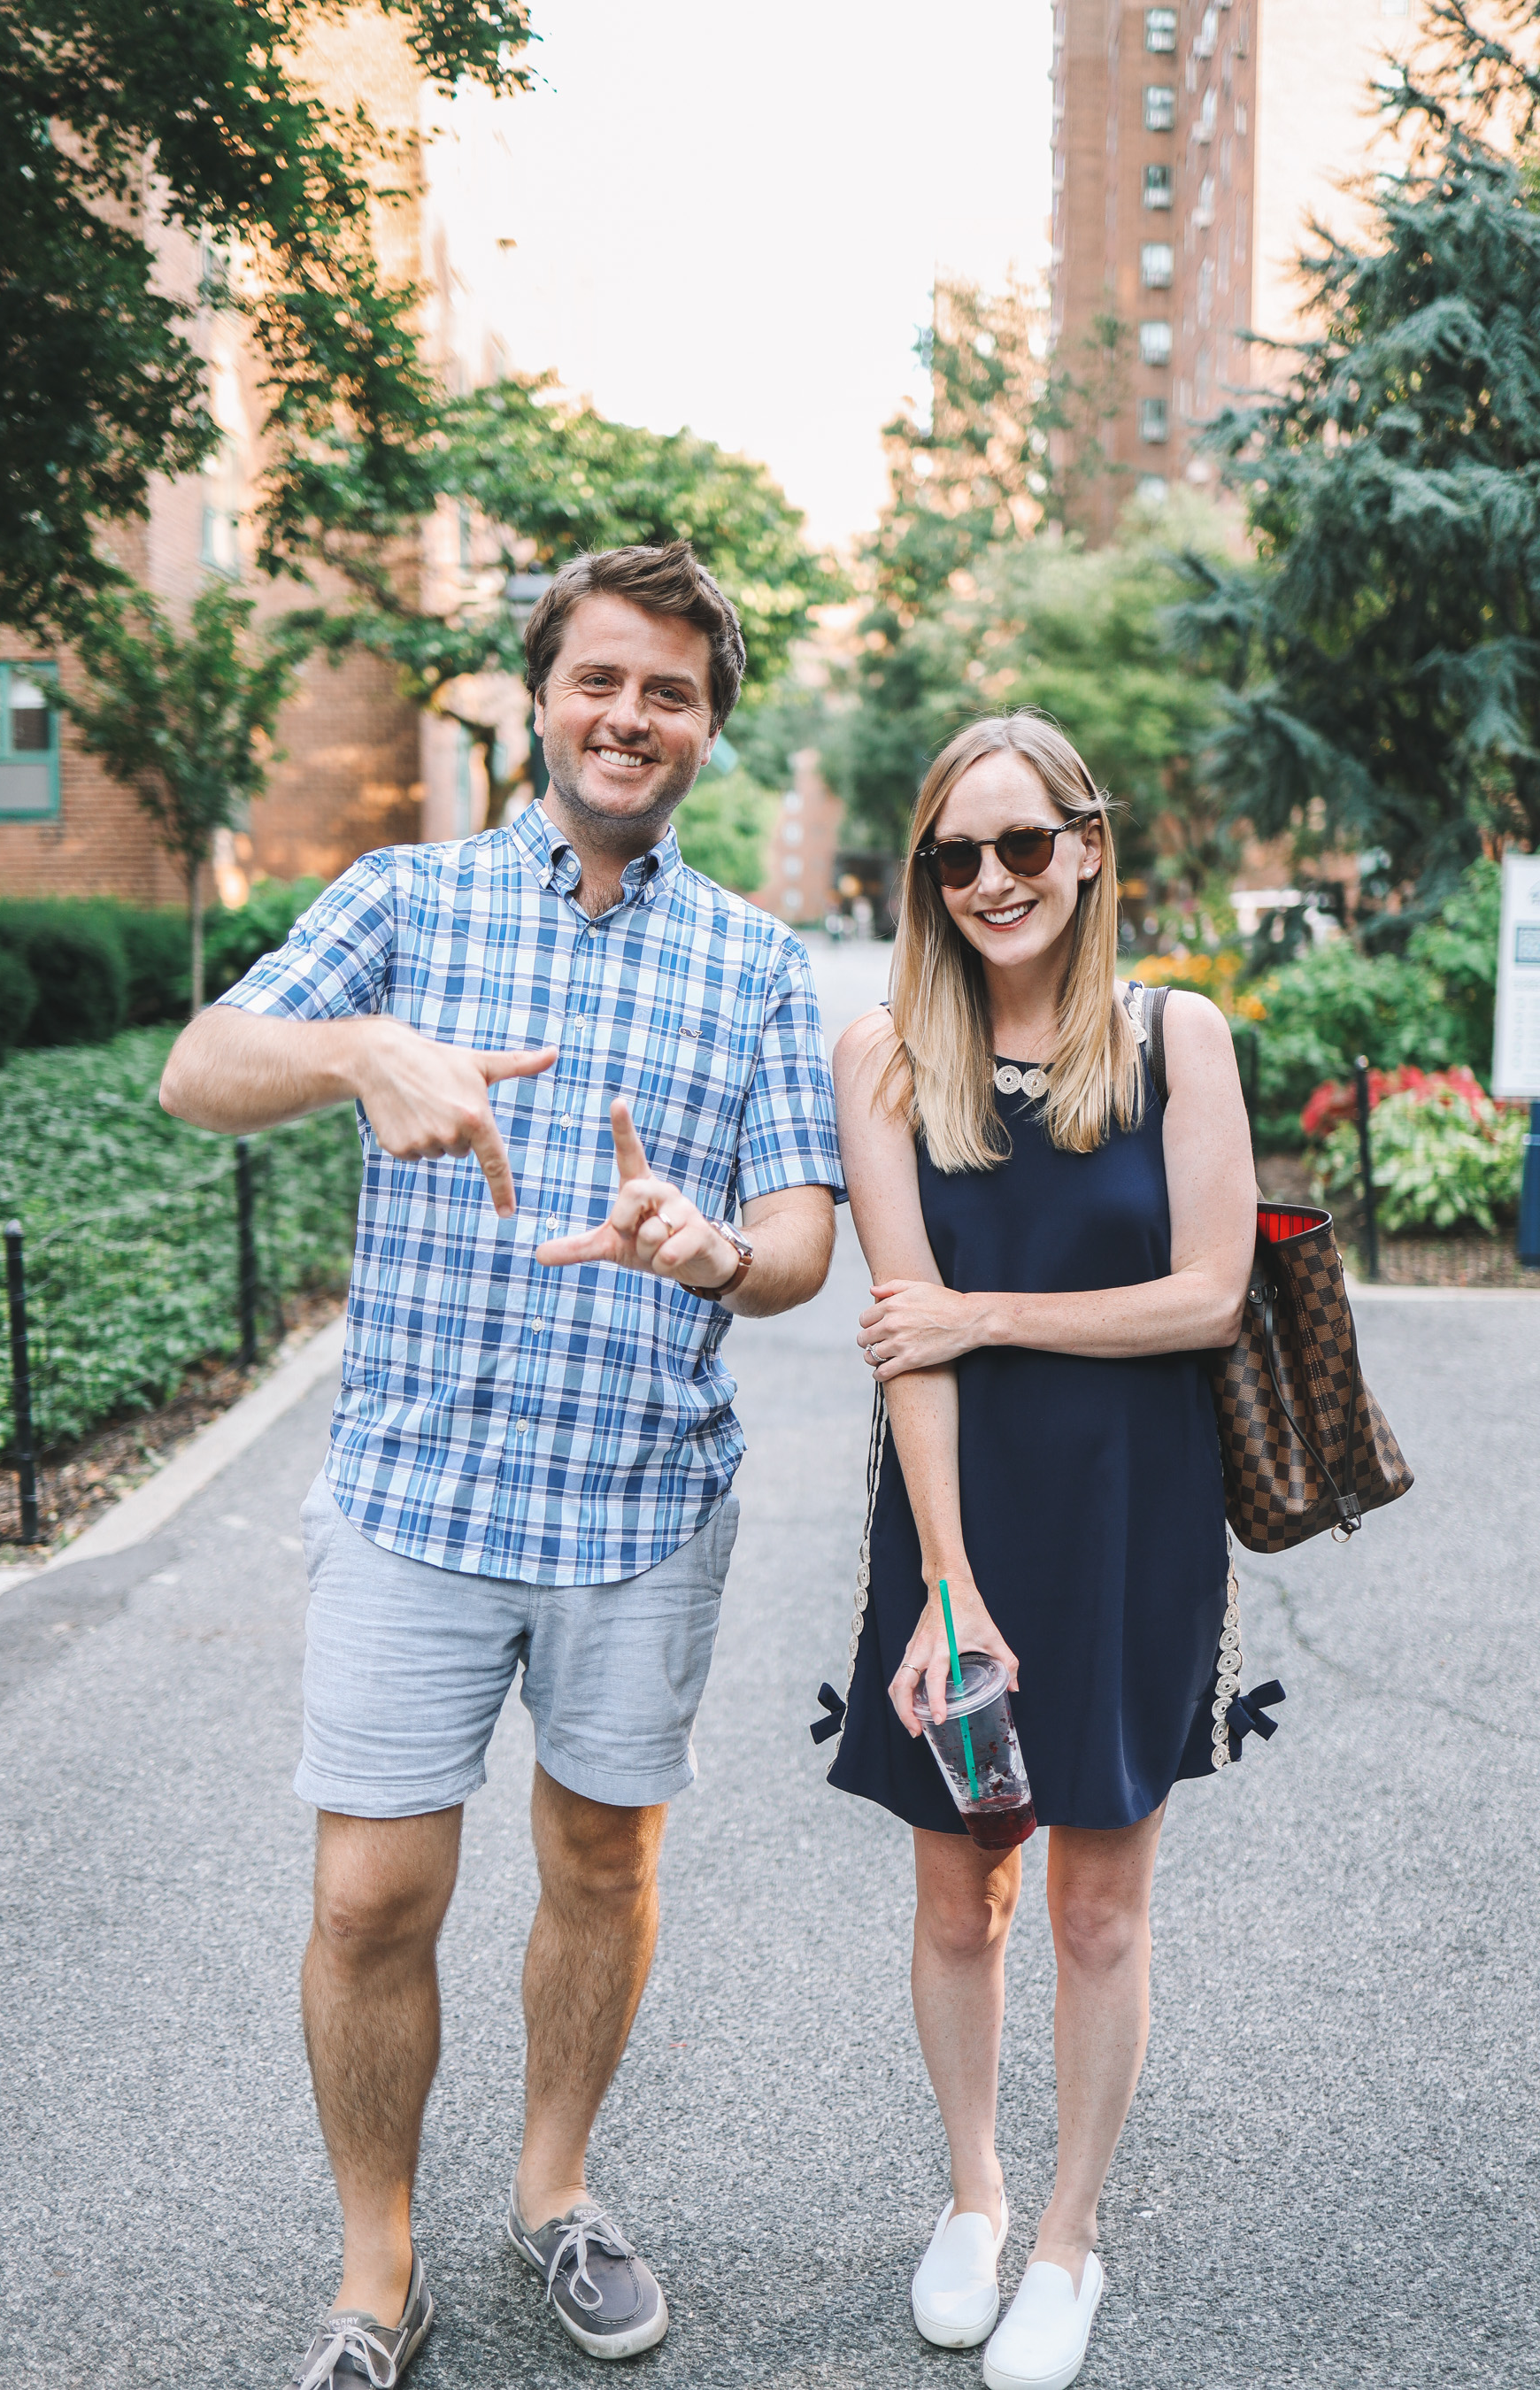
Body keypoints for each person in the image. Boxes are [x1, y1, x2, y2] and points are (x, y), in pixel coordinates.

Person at [159, 543, 842, 2387]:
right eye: (602, 680)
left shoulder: (758, 963)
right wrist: (357, 1047)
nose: (632, 717)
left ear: (708, 722)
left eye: (672, 692)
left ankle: (555, 2191)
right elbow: (198, 1066)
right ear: (540, 695)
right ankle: (378, 2275)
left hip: (638, 1505)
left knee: (602, 1866)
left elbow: (799, 1242)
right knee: (371, 1896)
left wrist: (713, 1251)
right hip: (418, 1501)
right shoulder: (406, 900)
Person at [825, 713, 1255, 2390]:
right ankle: (976, 2198)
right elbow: (902, 1343)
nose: (994, 881)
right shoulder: (886, 1057)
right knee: (959, 1888)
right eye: (958, 856)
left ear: (1087, 845)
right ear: (927, 878)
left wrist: (986, 1309)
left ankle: (1070, 2237)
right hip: (958, 1512)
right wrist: (945, 1583)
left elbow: (1207, 1297)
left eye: (1023, 845)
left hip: (1137, 1511)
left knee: (1095, 1904)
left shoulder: (1174, 1038)